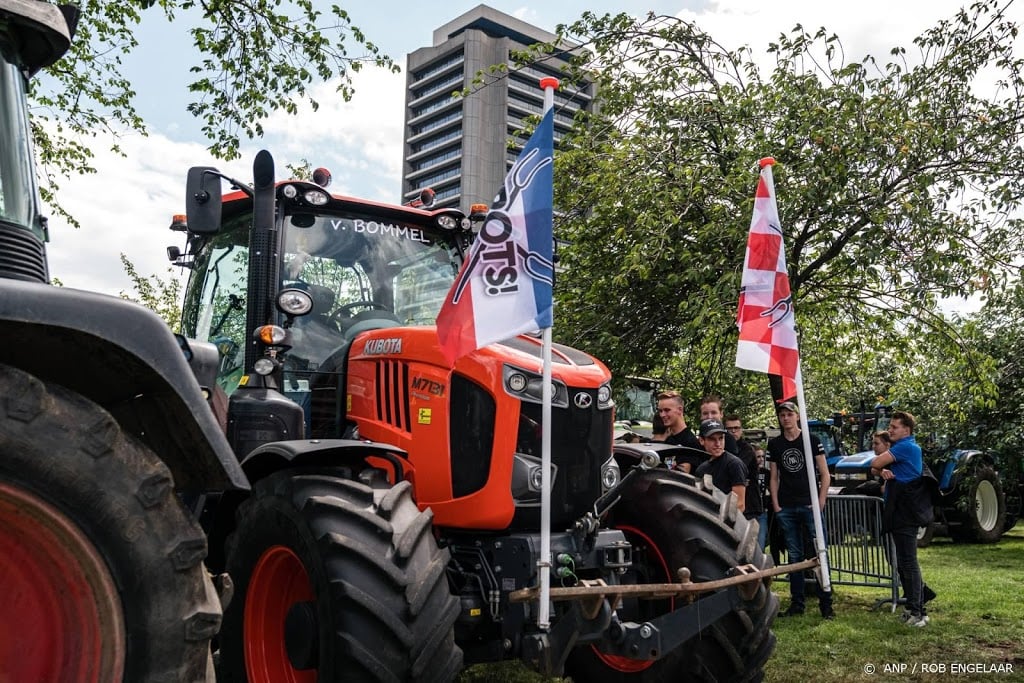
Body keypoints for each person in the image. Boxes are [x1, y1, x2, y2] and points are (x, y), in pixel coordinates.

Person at [768, 400, 834, 619]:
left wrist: (820, 500)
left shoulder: (811, 440)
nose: (786, 418)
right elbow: (774, 476)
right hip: (786, 505)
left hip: (809, 504)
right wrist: (776, 503)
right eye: (782, 415)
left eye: (789, 414)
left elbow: (825, 473)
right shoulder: (775, 444)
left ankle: (827, 602)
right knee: (794, 555)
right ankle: (797, 603)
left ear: (797, 416)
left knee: (819, 552)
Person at [871, 411, 936, 627]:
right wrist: (881, 472)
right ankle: (914, 606)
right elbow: (875, 466)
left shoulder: (905, 447)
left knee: (908, 562)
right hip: (900, 511)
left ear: (906, 430)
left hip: (905, 512)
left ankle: (917, 611)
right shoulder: (904, 447)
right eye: (889, 426)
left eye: (894, 427)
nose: (890, 430)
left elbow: (876, 461)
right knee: (903, 562)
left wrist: (880, 469)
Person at [726, 413, 766, 549]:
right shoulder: (722, 448)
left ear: (741, 430)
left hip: (750, 507)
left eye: (736, 428)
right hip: (732, 507)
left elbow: (736, 469)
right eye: (729, 429)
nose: (733, 432)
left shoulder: (747, 450)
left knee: (753, 549)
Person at [695, 419, 748, 510]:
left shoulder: (734, 464)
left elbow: (739, 505)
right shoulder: (701, 469)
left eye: (721, 438)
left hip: (730, 521)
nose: (718, 444)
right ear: (701, 440)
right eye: (712, 439)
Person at [653, 391, 704, 473]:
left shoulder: (690, 442)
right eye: (660, 411)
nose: (662, 415)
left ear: (680, 410)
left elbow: (682, 475)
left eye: (667, 410)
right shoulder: (668, 440)